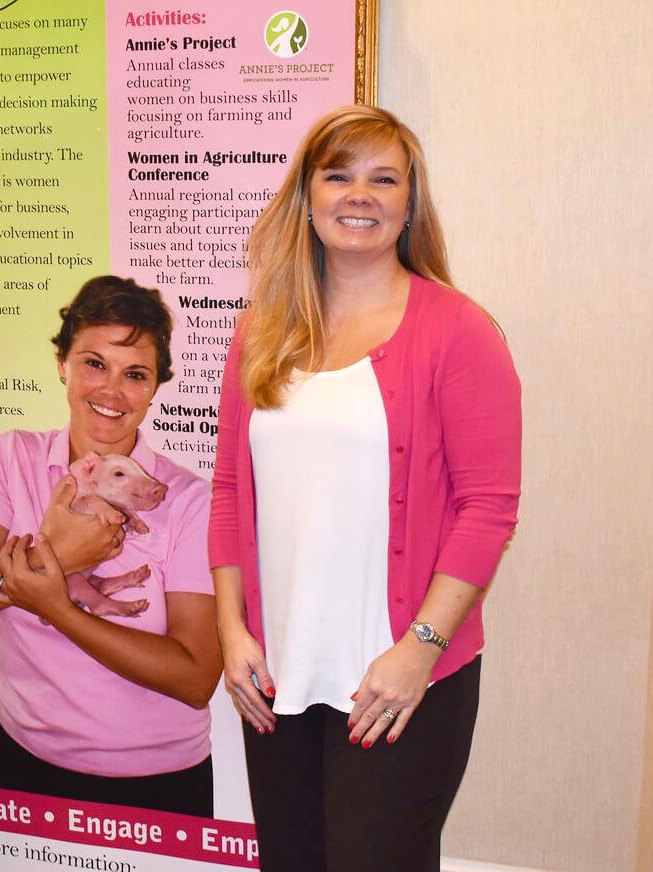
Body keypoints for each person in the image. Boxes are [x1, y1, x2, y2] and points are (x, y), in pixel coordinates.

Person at [209, 104, 520, 870]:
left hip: (397, 681)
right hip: (277, 679)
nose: (360, 195)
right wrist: (232, 631)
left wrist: (420, 649)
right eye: (339, 175)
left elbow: (489, 510)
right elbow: (226, 490)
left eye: (384, 179)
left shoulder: (457, 330)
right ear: (306, 197)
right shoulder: (261, 331)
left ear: (409, 204)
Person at [0, 276, 222, 816]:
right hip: (24, 759)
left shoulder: (190, 500)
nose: (112, 391)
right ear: (62, 365)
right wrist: (61, 557)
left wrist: (55, 604)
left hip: (156, 784)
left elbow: (195, 678)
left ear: (154, 389)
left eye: (135, 374)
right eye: (94, 363)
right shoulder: (14, 459)